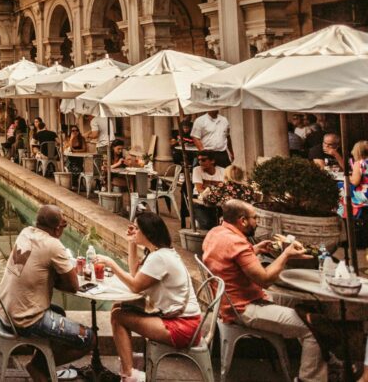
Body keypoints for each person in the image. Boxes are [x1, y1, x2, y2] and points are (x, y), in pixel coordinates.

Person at [203, 200, 326, 382]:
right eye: (255, 218)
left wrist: (255, 249)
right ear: (242, 220)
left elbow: (230, 258)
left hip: (229, 302)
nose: (257, 221)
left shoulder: (216, 232)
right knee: (313, 329)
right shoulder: (237, 243)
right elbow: (266, 279)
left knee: (303, 304)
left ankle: (324, 358)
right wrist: (285, 255)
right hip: (244, 309)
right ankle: (310, 378)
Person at [94, 212, 201, 382]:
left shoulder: (159, 258)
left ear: (148, 233)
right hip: (180, 318)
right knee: (119, 306)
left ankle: (129, 374)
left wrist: (111, 263)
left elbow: (135, 285)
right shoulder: (158, 253)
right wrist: (131, 243)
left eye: (137, 229)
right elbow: (135, 274)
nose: (133, 231)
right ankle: (130, 364)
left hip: (184, 327)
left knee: (118, 316)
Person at [0, 204, 94, 380]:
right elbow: (73, 286)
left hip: (5, 311)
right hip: (25, 319)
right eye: (64, 226)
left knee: (59, 312)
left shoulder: (26, 232)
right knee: (88, 338)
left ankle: (45, 361)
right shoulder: (53, 245)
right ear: (57, 229)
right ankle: (38, 367)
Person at [191, 153, 226, 229]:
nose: (200, 162)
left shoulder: (222, 171)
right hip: (200, 202)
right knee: (206, 223)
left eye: (203, 160)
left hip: (219, 202)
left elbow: (226, 188)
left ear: (212, 161)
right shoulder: (197, 170)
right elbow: (199, 189)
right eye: (199, 160)